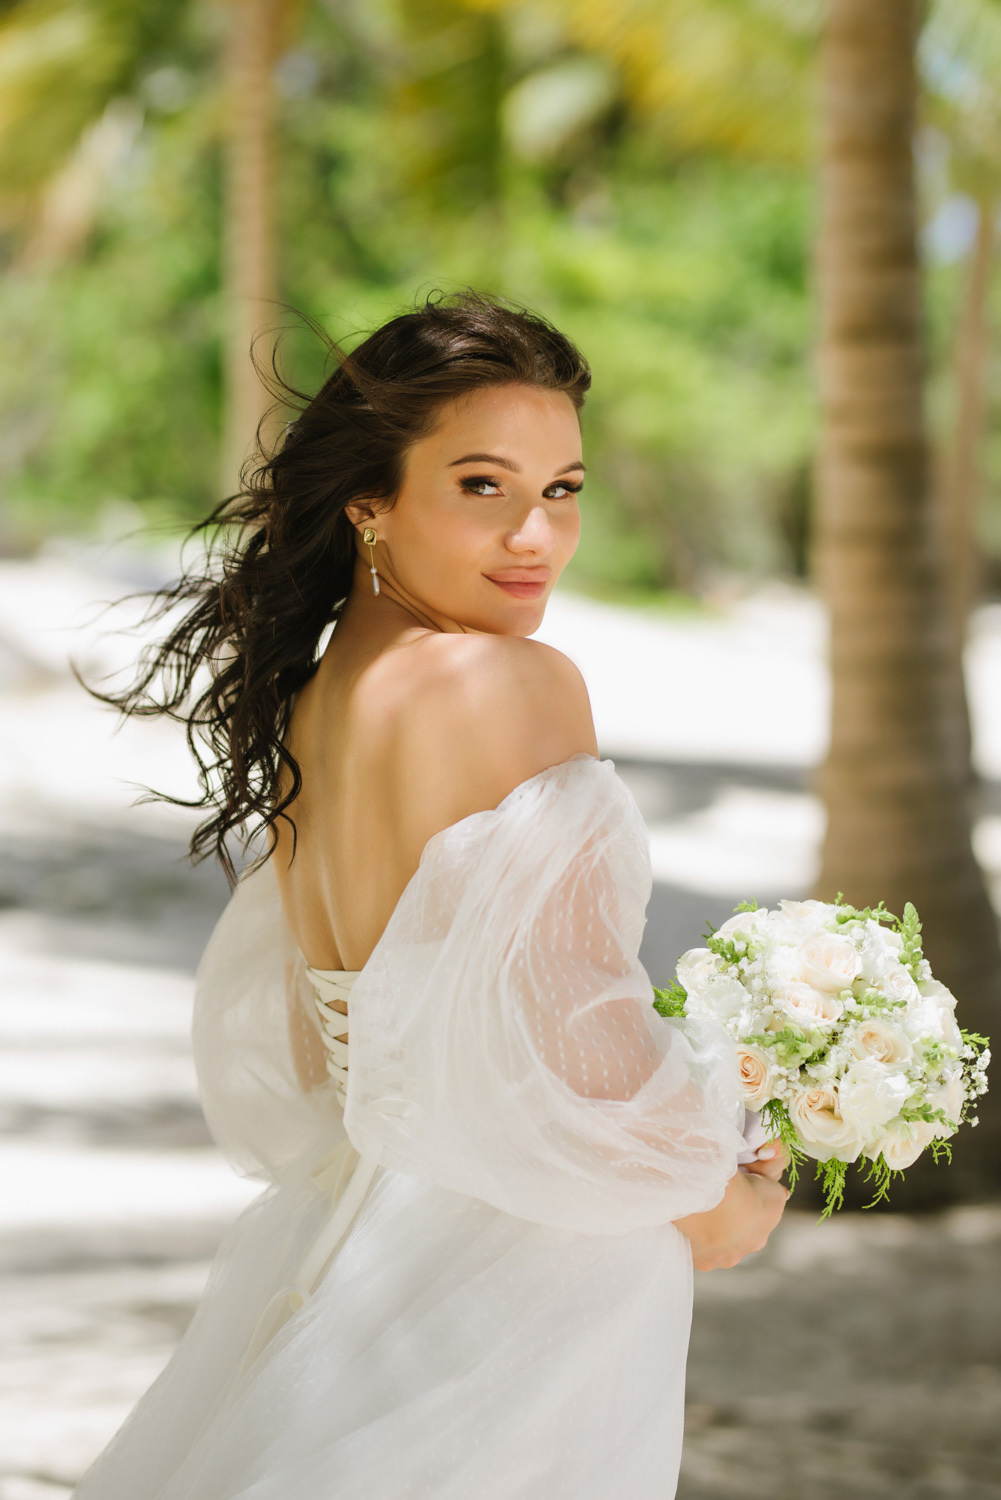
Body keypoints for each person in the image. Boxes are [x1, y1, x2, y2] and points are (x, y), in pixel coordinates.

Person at [74, 292, 788, 1500]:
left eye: (561, 489)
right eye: (480, 485)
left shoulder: (320, 701)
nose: (535, 536)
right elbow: (573, 1023)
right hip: (534, 1257)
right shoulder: (508, 683)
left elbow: (319, 1044)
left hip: (366, 1230)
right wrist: (711, 1189)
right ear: (370, 501)